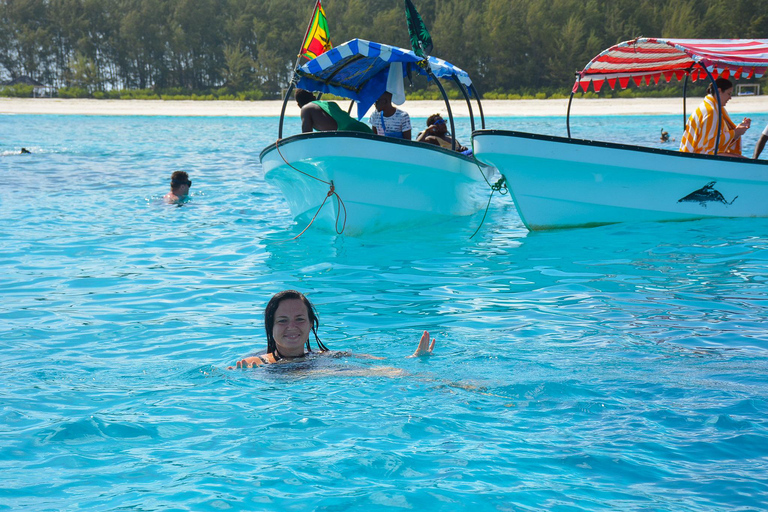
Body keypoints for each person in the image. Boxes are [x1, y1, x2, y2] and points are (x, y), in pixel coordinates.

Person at [232, 290, 435, 368]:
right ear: (271, 326)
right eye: (282, 320)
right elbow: (237, 370)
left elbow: (380, 362)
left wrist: (413, 359)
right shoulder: (258, 363)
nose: (291, 327)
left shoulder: (327, 357)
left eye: (300, 319)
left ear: (311, 324)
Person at [679, 78, 751, 157]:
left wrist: (737, 132)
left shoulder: (709, 107)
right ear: (719, 91)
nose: (730, 98)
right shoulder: (711, 111)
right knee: (742, 159)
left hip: (694, 154)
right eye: (729, 93)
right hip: (700, 155)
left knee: (740, 158)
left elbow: (712, 142)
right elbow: (709, 146)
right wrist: (736, 132)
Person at [295, 89, 372, 134]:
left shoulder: (306, 109)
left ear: (298, 105)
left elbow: (306, 135)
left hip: (350, 135)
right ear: (315, 98)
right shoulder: (327, 104)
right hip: (362, 129)